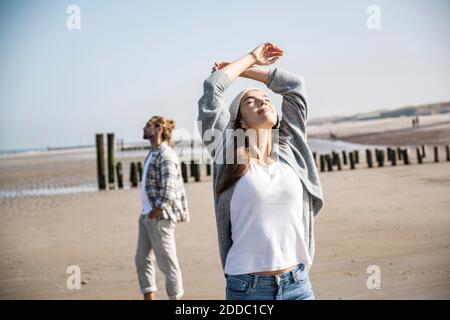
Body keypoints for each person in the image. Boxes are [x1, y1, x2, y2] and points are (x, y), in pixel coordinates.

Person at [197, 43, 324, 300]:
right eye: (250, 101)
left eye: (266, 99)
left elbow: (295, 86)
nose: (261, 102)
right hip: (248, 289)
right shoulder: (227, 155)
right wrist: (250, 57)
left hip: (298, 284)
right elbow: (213, 89)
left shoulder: (290, 151)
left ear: (277, 116)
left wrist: (247, 72)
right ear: (240, 119)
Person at [134, 116, 189, 300]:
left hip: (159, 217)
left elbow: (169, 191)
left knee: (168, 264)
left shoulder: (166, 154)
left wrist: (154, 213)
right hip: (147, 216)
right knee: (142, 260)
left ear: (158, 129)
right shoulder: (153, 152)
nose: (144, 127)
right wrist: (147, 214)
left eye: (147, 125)